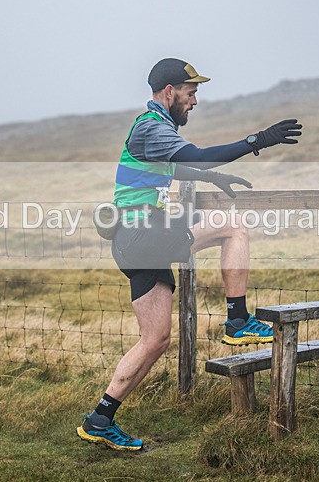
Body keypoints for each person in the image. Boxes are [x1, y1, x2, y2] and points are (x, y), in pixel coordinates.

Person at [78, 58, 303, 450]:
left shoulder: (154, 129)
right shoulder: (152, 125)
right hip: (143, 231)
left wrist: (209, 178)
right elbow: (196, 155)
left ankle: (100, 418)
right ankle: (237, 321)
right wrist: (258, 140)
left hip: (134, 243)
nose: (194, 101)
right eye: (191, 92)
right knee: (233, 227)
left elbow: (177, 167)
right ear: (170, 92)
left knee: (155, 339)